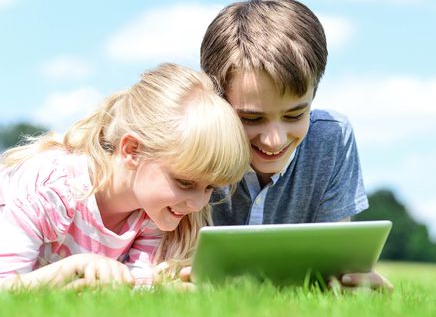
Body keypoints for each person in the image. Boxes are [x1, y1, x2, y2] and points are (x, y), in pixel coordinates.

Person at [191, 0, 392, 292]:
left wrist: (350, 284)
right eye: (251, 118)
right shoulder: (191, 140)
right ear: (216, 100)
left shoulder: (332, 139)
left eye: (295, 114)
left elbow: (333, 262)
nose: (274, 139)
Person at [0, 63, 250, 290]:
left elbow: (130, 290)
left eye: (209, 188)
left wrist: (165, 290)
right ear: (132, 151)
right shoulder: (54, 190)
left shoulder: (150, 215)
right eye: (184, 183)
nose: (199, 203)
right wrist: (73, 268)